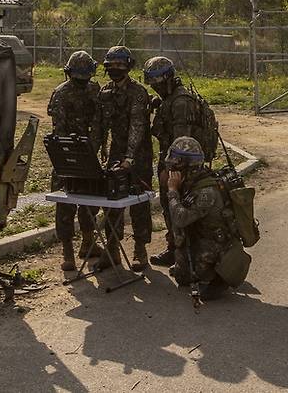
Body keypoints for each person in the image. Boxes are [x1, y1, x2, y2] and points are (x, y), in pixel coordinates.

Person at [144, 56, 216, 268]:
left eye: (157, 83)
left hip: (181, 167)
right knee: (172, 208)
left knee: (177, 206)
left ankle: (182, 253)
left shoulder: (180, 103)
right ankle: (177, 247)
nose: (154, 87)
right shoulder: (171, 98)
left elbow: (181, 144)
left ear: (167, 78)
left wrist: (171, 171)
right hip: (177, 162)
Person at [166, 136, 249, 301]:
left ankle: (220, 276)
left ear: (187, 165)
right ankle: (202, 268)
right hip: (203, 236)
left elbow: (180, 219)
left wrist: (172, 190)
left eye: (176, 164)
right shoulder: (193, 181)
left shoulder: (206, 192)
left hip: (216, 243)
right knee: (182, 278)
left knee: (195, 274)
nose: (172, 168)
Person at [97, 46, 153, 272]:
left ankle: (140, 249)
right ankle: (112, 248)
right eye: (111, 66)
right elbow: (101, 124)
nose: (115, 69)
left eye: (120, 65)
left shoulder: (138, 92)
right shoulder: (105, 91)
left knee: (139, 201)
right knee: (112, 201)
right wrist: (97, 148)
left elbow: (137, 127)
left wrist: (130, 158)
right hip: (116, 152)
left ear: (128, 66)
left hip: (139, 155)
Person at [47, 50, 103, 271]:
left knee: (86, 200)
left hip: (83, 154)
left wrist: (92, 149)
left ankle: (87, 244)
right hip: (70, 156)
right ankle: (69, 251)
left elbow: (99, 122)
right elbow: (59, 130)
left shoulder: (92, 90)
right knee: (68, 203)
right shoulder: (62, 94)